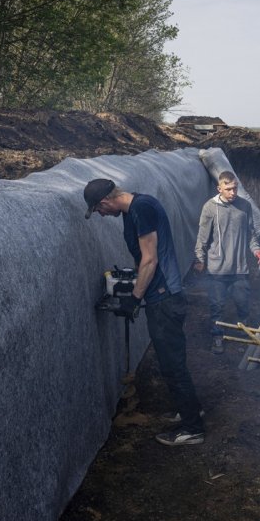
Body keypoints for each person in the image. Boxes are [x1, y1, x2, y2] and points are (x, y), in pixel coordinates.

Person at [83, 178, 205, 446]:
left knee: (172, 365)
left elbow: (150, 259)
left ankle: (193, 428)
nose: (102, 216)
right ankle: (190, 410)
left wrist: (134, 298)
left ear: (104, 202)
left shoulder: (141, 209)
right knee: (173, 361)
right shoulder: (134, 209)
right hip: (161, 295)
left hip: (165, 298)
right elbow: (143, 260)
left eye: (99, 211)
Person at [194, 171, 260, 354]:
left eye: (235, 188)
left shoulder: (245, 206)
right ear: (219, 188)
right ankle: (217, 337)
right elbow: (202, 238)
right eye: (228, 189)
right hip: (217, 269)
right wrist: (200, 259)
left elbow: (251, 235)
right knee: (217, 306)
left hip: (239, 268)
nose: (233, 192)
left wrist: (256, 249)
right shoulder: (210, 208)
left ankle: (243, 333)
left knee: (243, 303)